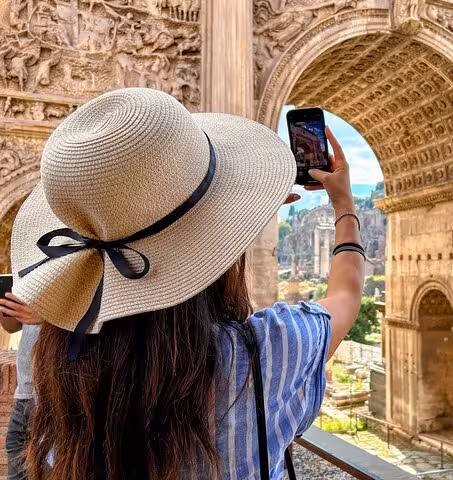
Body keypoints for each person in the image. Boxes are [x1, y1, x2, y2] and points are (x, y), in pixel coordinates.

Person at [7, 88, 364, 480]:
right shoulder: (267, 352)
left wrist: (223, 216)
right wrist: (343, 206)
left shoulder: (63, 362)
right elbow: (345, 295)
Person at [0, 294, 41, 480]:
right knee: (16, 472)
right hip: (24, 392)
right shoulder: (26, 272)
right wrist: (5, 308)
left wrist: (43, 315)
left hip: (56, 393)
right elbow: (12, 327)